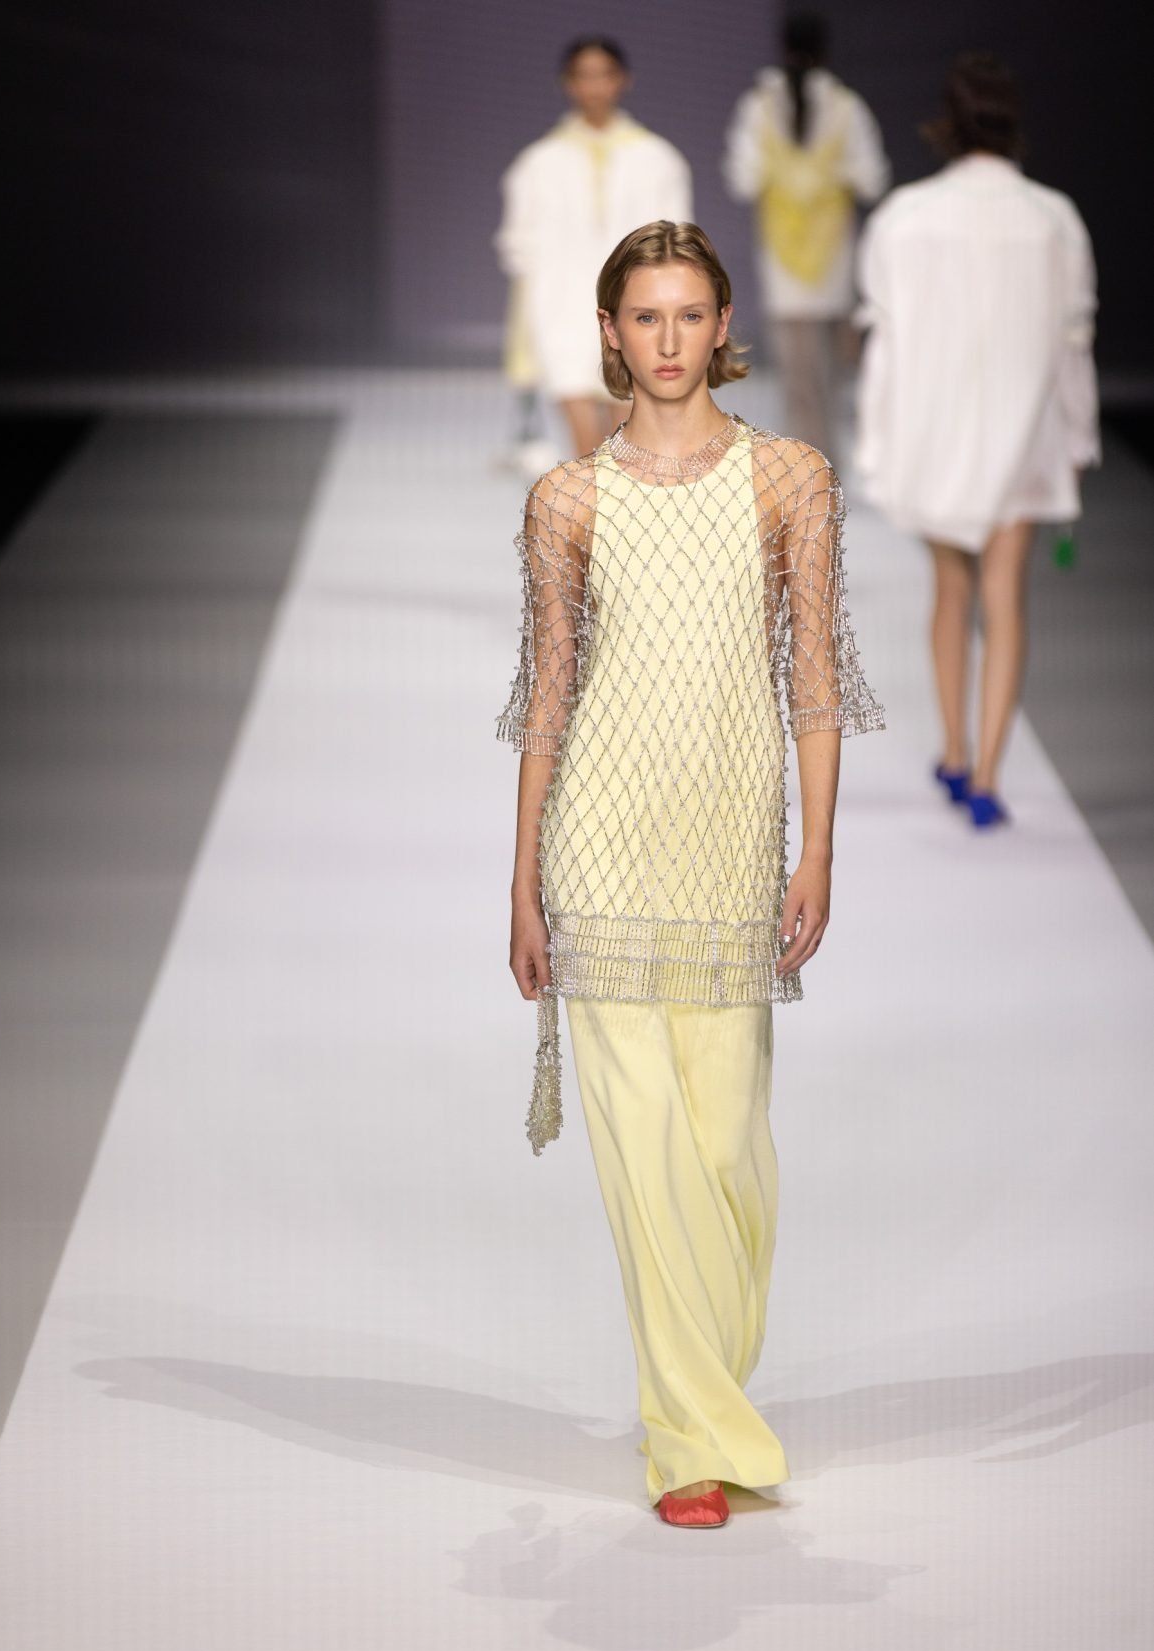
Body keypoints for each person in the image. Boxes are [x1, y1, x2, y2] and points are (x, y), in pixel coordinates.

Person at [494, 220, 885, 1527]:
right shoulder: (567, 500)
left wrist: (818, 847)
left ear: (724, 326)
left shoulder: (790, 480)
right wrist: (521, 879)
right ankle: (689, 1439)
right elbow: (548, 700)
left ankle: (705, 1388)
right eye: (643, 317)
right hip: (598, 839)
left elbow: (814, 680)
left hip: (728, 839)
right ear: (611, 333)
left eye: (688, 315)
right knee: (642, 1145)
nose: (667, 341)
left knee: (726, 1146)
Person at [853, 52, 1100, 828]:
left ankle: (955, 753)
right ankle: (987, 774)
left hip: (934, 434)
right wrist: (1078, 440)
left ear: (945, 125)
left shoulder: (903, 216)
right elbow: (1073, 344)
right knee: (1004, 595)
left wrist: (876, 444)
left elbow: (883, 346)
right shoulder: (1053, 218)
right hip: (1025, 435)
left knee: (949, 590)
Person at [496, 38, 693, 460]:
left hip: (636, 314)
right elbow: (518, 248)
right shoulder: (538, 163)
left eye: (604, 75)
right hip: (561, 313)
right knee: (586, 451)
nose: (595, 87)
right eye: (584, 76)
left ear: (623, 80)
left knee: (629, 449)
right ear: (568, 83)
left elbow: (678, 247)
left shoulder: (658, 158)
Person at [721, 12, 889, 465]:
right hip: (834, 265)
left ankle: (809, 476)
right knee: (829, 383)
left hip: (785, 267)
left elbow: (742, 178)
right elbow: (873, 178)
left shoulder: (759, 107)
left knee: (800, 384)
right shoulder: (846, 107)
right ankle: (824, 474)